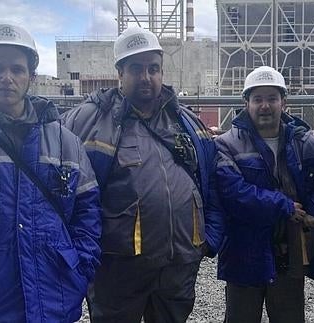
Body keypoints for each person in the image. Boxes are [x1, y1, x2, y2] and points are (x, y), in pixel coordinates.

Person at [62, 26, 224, 322]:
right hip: (118, 271)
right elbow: (68, 192)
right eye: (137, 68)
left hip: (179, 266)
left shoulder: (186, 121)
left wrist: (208, 238)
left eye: (154, 68)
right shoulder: (89, 121)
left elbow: (211, 179)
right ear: (120, 72)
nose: (147, 77)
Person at [0, 23, 102, 322]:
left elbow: (88, 212)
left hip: (53, 299)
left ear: (31, 77)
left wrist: (80, 270)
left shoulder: (64, 142)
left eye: (17, 69)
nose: (7, 78)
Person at [214, 66, 314, 323]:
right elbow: (234, 194)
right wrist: (283, 205)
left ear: (284, 102)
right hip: (243, 254)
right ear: (246, 103)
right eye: (257, 99)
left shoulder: (306, 144)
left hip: (289, 254)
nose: (265, 106)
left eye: (272, 98)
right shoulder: (226, 145)